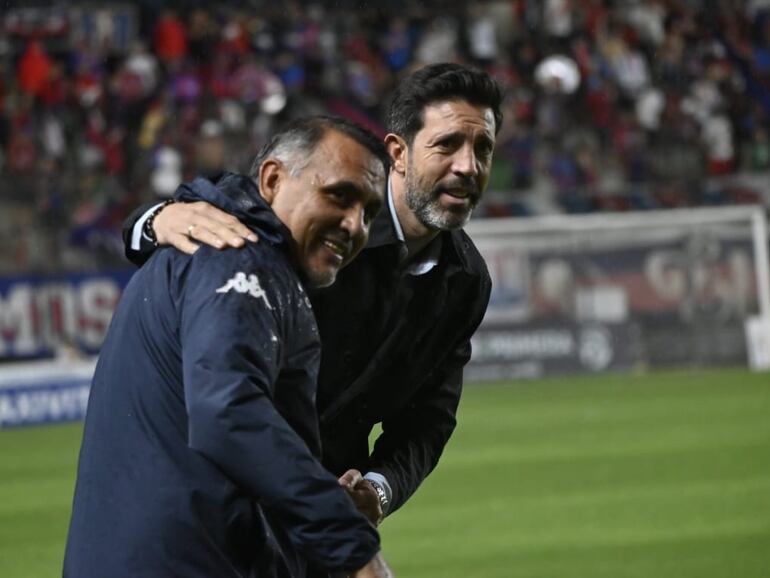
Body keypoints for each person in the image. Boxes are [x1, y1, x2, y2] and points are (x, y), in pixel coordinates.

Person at [123, 63, 502, 536]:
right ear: (398, 154)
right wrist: (156, 219)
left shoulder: (467, 283)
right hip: (213, 500)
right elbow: (221, 208)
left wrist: (379, 489)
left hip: (316, 520)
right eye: (447, 145)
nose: (468, 166)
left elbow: (429, 421)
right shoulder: (319, 216)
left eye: (483, 148)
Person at [65, 116, 394, 578]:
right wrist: (352, 548)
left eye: (369, 212)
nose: (354, 225)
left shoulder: (219, 251)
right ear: (273, 180)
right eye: (339, 195)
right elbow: (229, 412)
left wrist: (317, 492)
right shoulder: (237, 253)